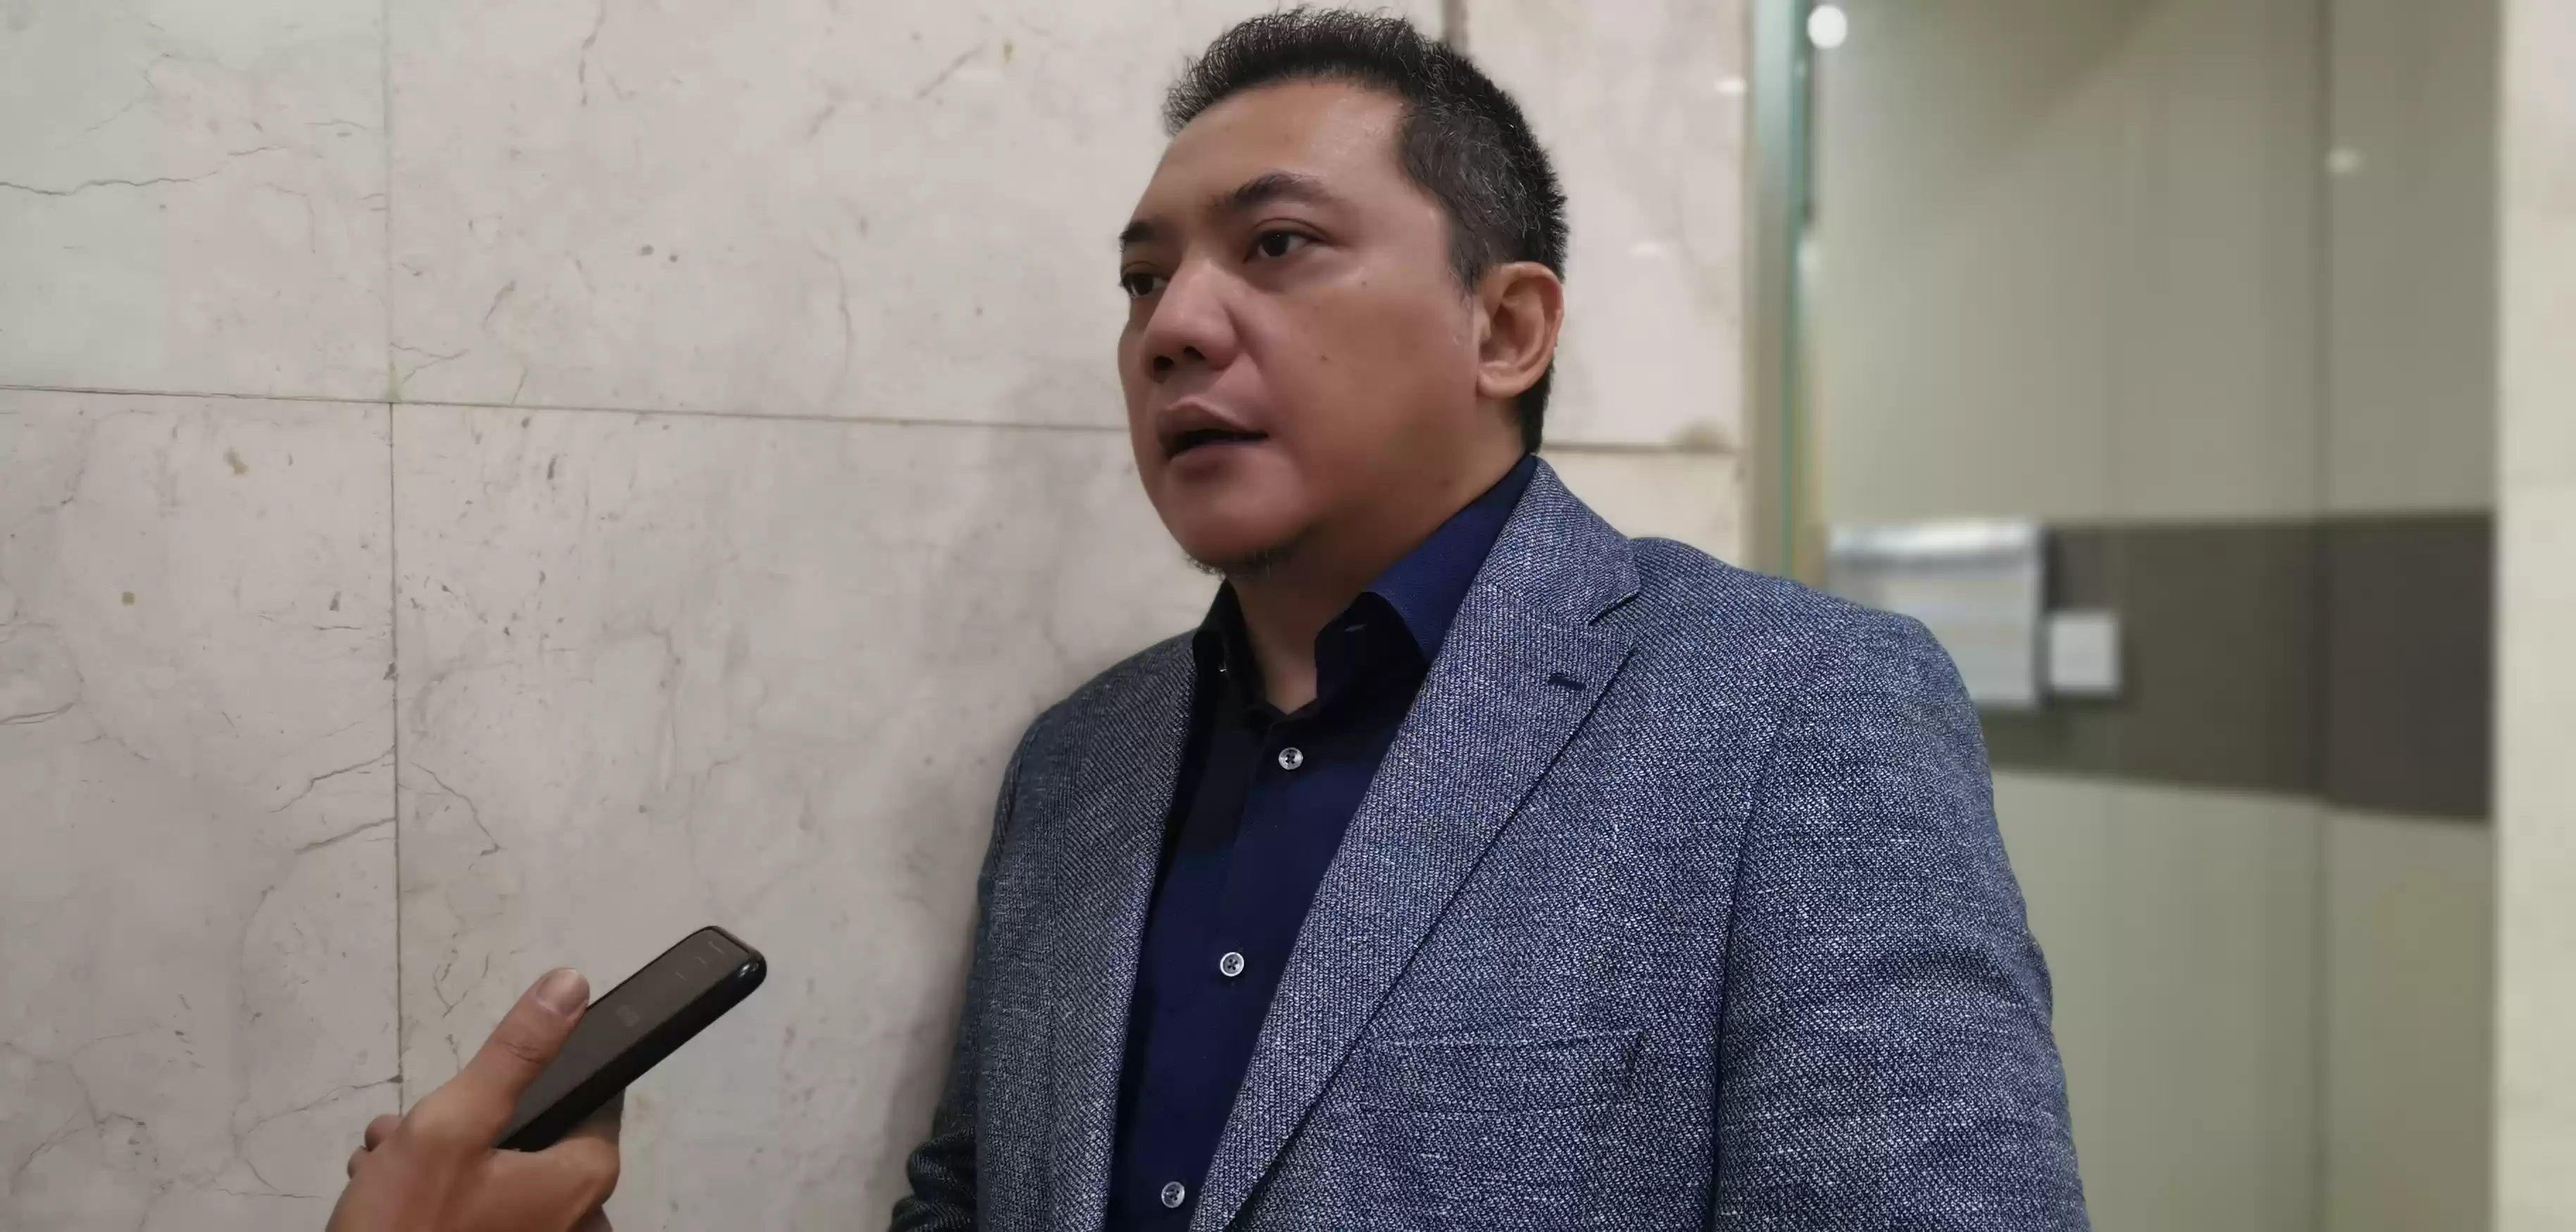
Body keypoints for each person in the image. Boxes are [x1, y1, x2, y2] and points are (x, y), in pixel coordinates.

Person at [331, 9, 2084, 1231]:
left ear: (1505, 328)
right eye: (1142, 276)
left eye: (1279, 244)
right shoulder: (1079, 763)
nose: (1175, 323)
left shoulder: (1791, 709)